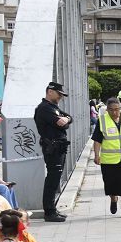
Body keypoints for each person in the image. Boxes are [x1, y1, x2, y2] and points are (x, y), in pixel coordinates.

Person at [93, 98, 121, 218]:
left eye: (117, 110)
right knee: (111, 185)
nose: (114, 113)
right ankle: (113, 199)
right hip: (109, 159)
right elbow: (97, 140)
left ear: (120, 108)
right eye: (111, 110)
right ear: (107, 109)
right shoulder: (102, 120)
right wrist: (96, 155)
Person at [33, 82, 72, 223]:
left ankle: (52, 209)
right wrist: (65, 121)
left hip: (59, 147)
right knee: (52, 180)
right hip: (53, 148)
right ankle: (49, 212)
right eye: (59, 94)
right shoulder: (44, 108)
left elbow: (68, 119)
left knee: (55, 179)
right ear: (50, 92)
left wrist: (66, 119)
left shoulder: (53, 108)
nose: (61, 97)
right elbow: (61, 124)